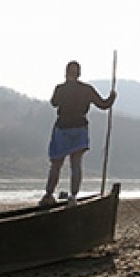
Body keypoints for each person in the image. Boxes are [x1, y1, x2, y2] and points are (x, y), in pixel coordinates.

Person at [41, 60, 116, 207]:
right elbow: (104, 104)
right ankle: (73, 197)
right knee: (76, 164)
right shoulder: (86, 89)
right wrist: (112, 96)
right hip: (79, 128)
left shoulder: (60, 88)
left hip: (62, 128)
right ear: (79, 73)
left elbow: (54, 103)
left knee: (56, 164)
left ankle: (48, 195)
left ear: (66, 73)